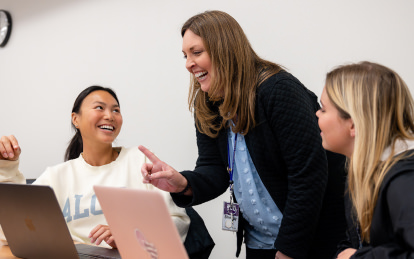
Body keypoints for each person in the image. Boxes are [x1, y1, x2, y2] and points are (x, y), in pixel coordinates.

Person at [138, 10, 347, 259]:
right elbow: (214, 169)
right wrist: (182, 183)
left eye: (196, 52)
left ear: (223, 49)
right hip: (259, 243)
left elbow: (308, 176)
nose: (188, 63)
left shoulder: (278, 91)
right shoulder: (207, 105)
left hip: (308, 244)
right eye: (185, 55)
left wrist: (289, 250)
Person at [0, 85, 190, 248]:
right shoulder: (57, 176)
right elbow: (10, 228)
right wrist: (6, 166)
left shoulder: (140, 162)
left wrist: (129, 236)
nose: (109, 116)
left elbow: (178, 222)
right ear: (76, 119)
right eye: (100, 108)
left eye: (116, 110)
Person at [316, 61, 414, 258]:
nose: (316, 114)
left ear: (353, 125)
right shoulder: (362, 170)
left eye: (323, 109)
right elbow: (357, 239)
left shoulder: (404, 181)